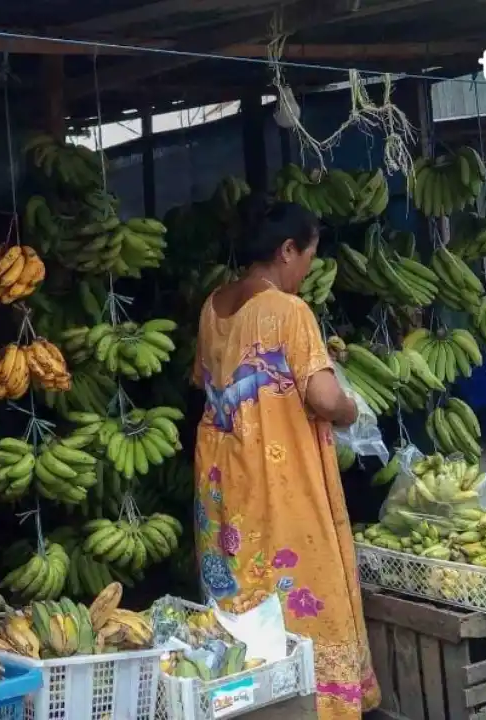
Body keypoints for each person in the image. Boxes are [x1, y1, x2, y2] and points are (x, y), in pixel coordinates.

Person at [192, 196, 379, 718]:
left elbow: (206, 380)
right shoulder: (288, 310)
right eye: (308, 258)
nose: (306, 272)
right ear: (287, 250)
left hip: (223, 480)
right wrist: (349, 410)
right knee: (301, 588)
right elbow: (321, 396)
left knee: (241, 598)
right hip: (279, 480)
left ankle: (252, 704)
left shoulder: (213, 307)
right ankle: (315, 705)